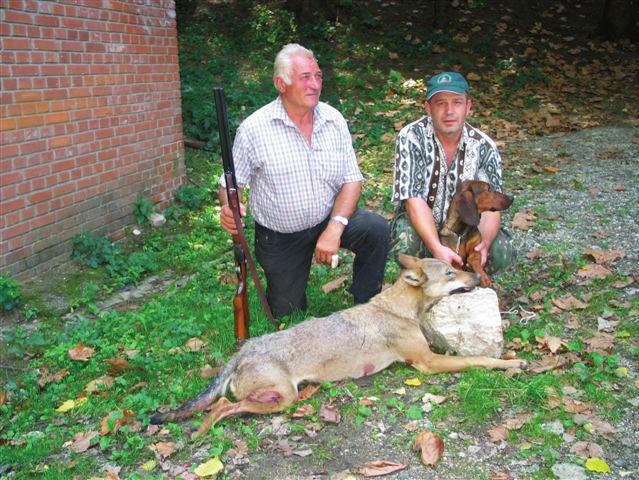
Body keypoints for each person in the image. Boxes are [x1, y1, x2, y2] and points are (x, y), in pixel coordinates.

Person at [219, 43, 389, 318]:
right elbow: (230, 185)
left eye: (318, 76)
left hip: (326, 217)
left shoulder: (333, 119)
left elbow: (352, 180)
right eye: (305, 77)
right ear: (281, 84)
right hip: (280, 236)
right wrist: (229, 207)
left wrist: (335, 228)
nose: (315, 84)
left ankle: (367, 304)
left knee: (374, 228)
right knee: (288, 314)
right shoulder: (253, 129)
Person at [390, 71, 515, 271]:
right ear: (428, 108)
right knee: (406, 243)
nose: (449, 111)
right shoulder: (411, 137)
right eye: (440, 103)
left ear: (468, 107)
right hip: (423, 223)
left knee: (501, 251)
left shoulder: (485, 146)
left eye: (457, 102)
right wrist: (437, 248)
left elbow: (491, 206)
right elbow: (413, 199)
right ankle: (423, 284)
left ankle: (469, 281)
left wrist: (483, 245)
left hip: (466, 227)